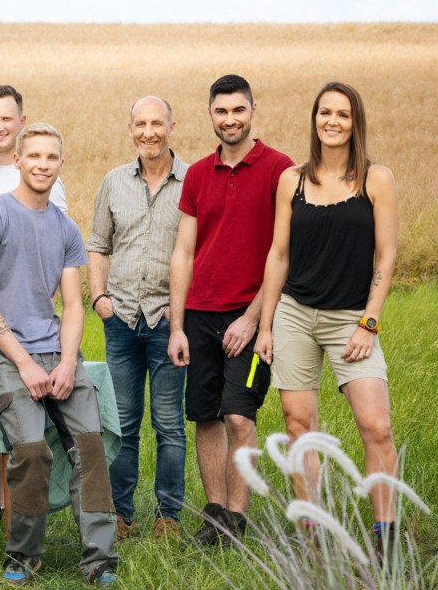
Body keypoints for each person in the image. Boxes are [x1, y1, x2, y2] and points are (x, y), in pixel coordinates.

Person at [0, 124, 118, 586]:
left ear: (60, 163)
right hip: (6, 354)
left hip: (56, 351)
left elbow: (73, 305)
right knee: (33, 453)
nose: (41, 165)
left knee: (90, 447)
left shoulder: (65, 228)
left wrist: (68, 362)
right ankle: (23, 555)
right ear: (17, 159)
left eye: (51, 157)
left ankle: (100, 560)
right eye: (33, 156)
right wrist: (26, 363)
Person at [254, 82, 399, 557]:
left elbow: (387, 255)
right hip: (295, 314)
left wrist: (368, 323)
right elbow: (278, 254)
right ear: (314, 119)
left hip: (351, 319)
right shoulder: (291, 180)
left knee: (376, 426)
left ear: (355, 122)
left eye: (342, 114)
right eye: (324, 113)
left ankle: (386, 538)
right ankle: (312, 535)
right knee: (299, 425)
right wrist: (266, 326)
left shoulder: (377, 179)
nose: (332, 122)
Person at [167, 75, 293, 545]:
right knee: (205, 416)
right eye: (221, 112)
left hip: (251, 315)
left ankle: (237, 520)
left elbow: (286, 251)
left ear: (253, 110)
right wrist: (177, 326)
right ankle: (214, 515)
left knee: (239, 416)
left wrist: (254, 317)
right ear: (210, 115)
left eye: (238, 110)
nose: (230, 119)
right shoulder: (198, 174)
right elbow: (183, 252)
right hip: (199, 313)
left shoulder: (281, 169)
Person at [87, 96, 188, 539]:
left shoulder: (193, 182)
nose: (150, 132)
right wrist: (99, 299)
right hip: (122, 318)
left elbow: (198, 254)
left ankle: (169, 516)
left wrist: (180, 311)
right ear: (130, 129)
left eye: (157, 124)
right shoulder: (113, 182)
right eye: (141, 124)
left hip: (170, 320)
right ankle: (121, 515)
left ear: (171, 126)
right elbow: (97, 245)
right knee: (123, 423)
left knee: (168, 423)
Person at [0, 86, 67, 328]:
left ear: (22, 121)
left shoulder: (44, 178)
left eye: (6, 119)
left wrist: (42, 313)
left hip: (26, 322)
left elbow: (57, 254)